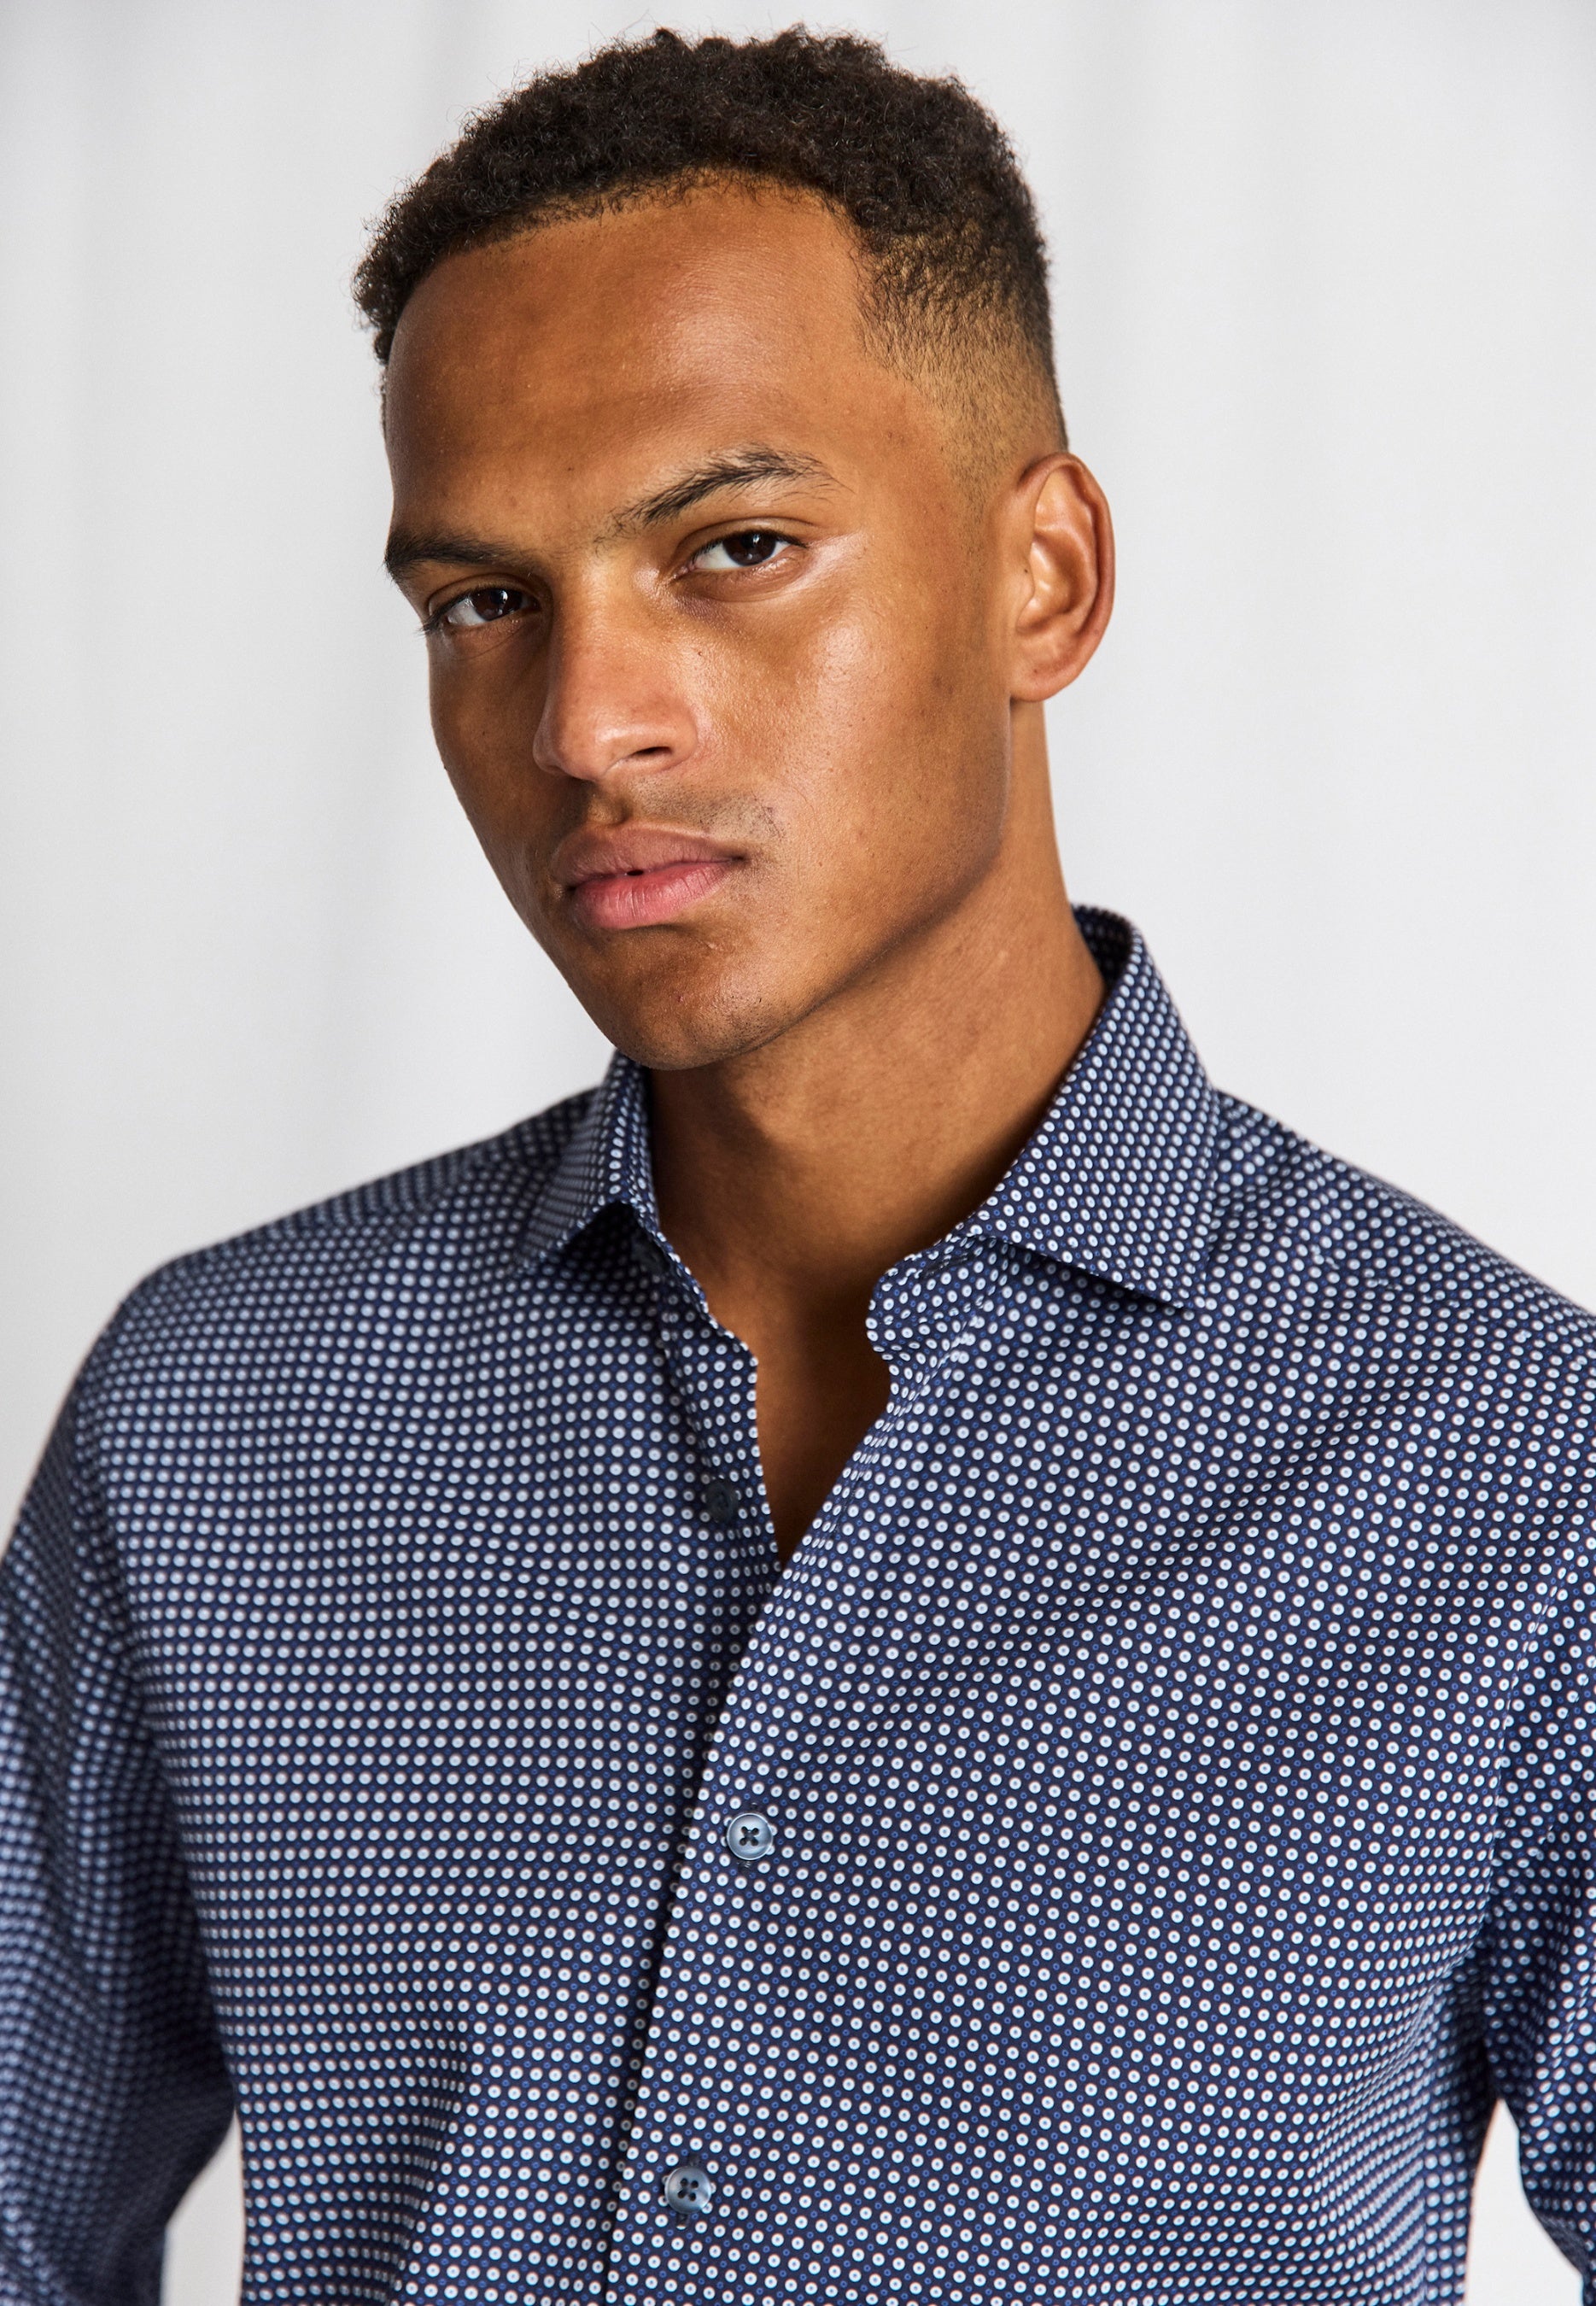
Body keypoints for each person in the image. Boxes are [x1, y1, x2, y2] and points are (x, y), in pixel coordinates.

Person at [2, 24, 1593, 2304]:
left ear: (1043, 577)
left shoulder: (1515, 1476)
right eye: (481, 602)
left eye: (733, 548)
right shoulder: (217, 1419)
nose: (587, 727)